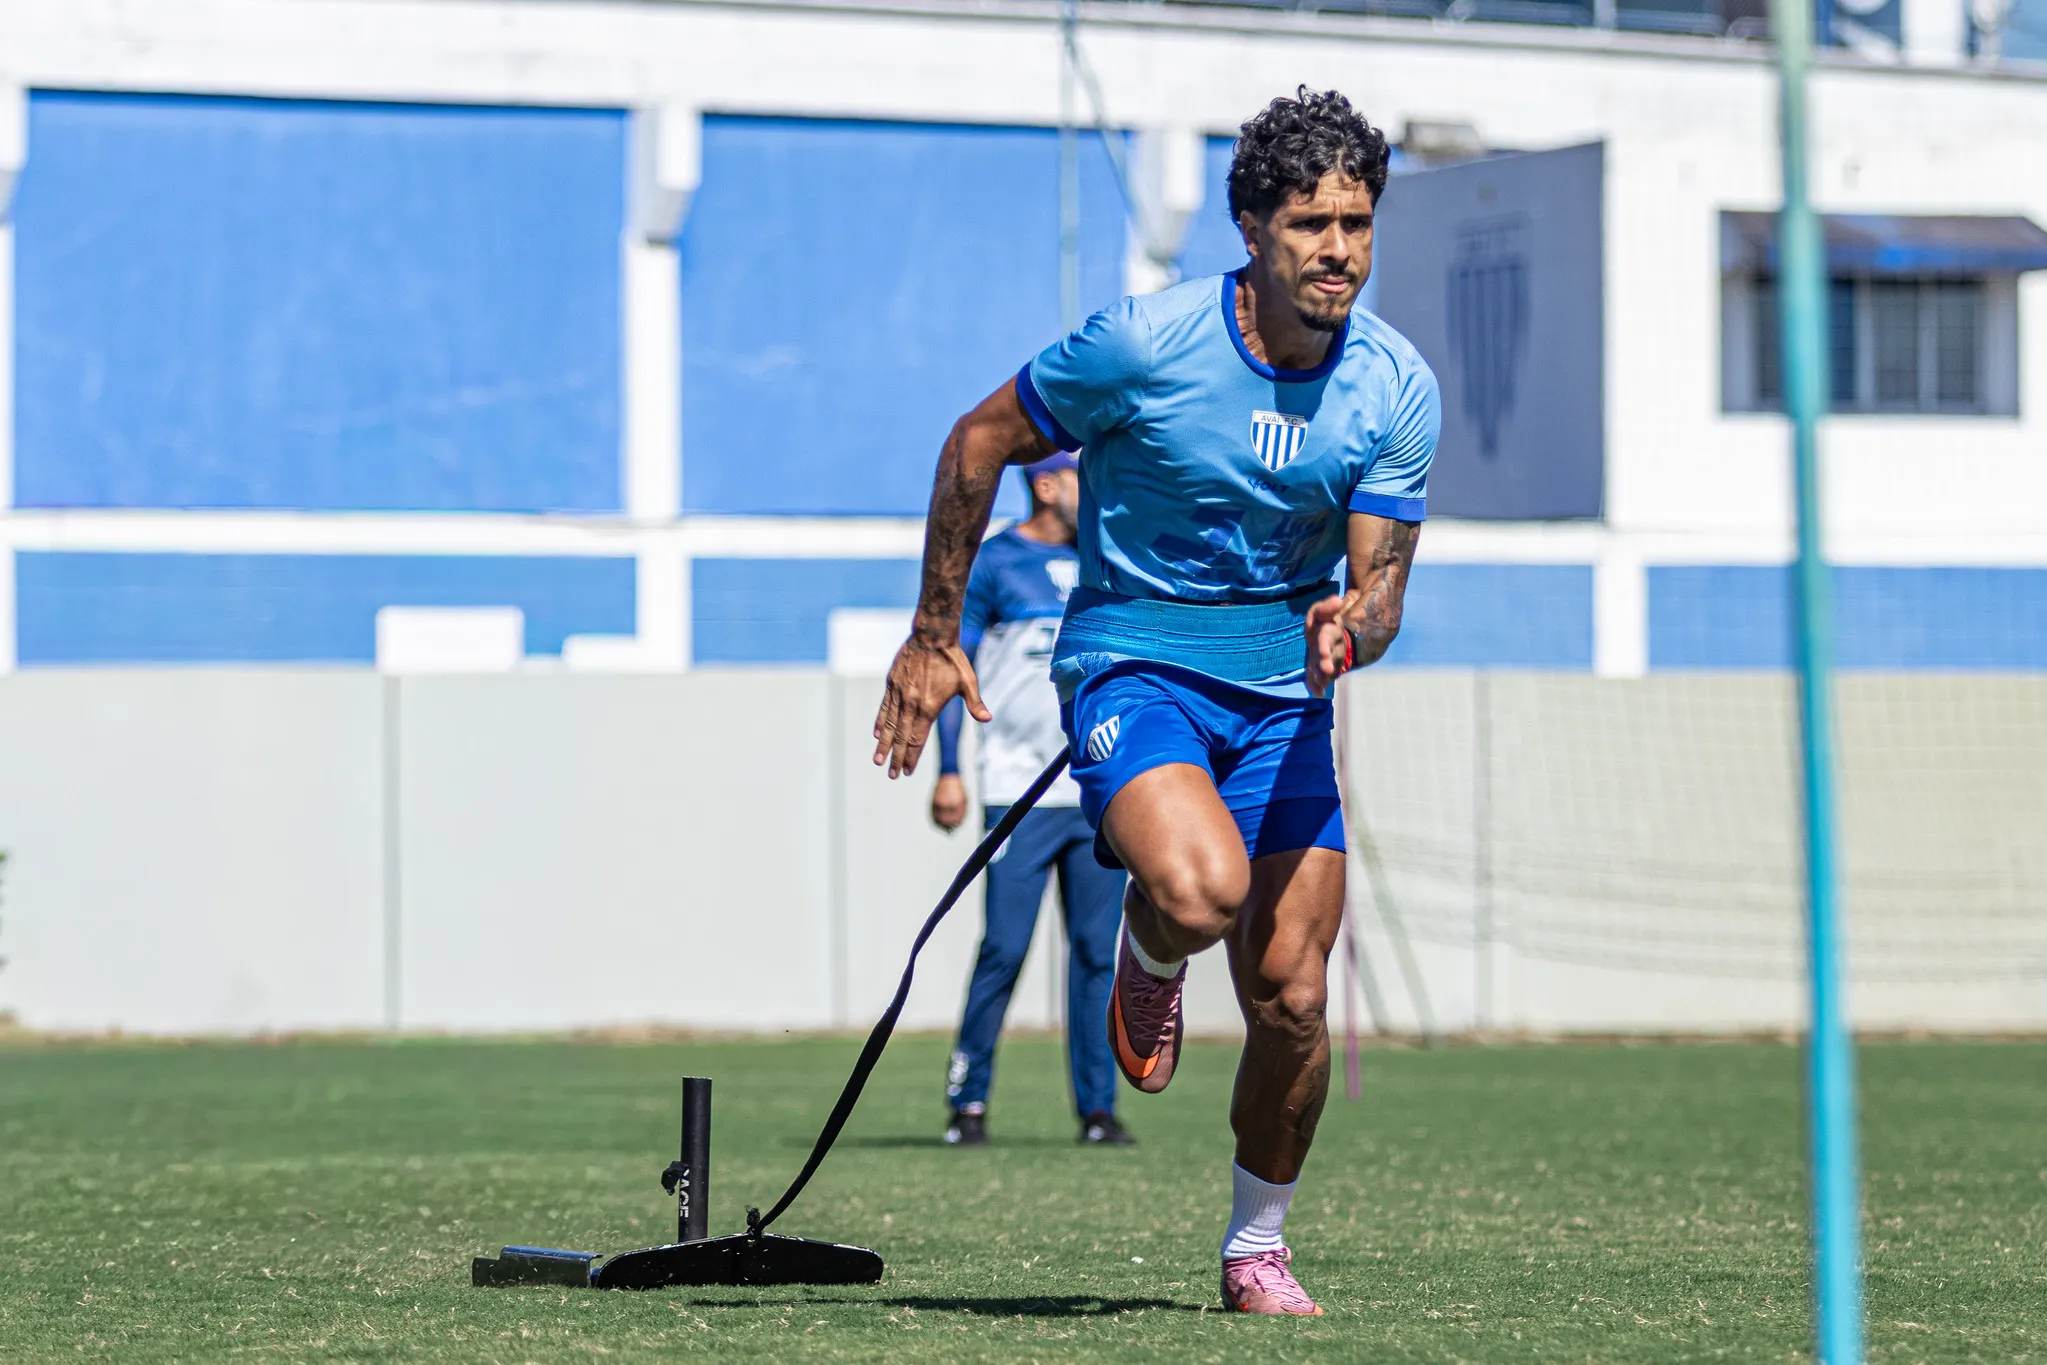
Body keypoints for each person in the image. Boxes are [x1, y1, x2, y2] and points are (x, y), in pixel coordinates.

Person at [871, 88, 1437, 1315]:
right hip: (1135, 663)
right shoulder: (1142, 343)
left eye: (1356, 221)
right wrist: (929, 635)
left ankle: (1254, 1246)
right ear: (1251, 228)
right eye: (1309, 223)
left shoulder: (1396, 388)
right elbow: (977, 439)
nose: (1337, 249)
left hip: (1283, 706)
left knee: (1291, 999)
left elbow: (1379, 587)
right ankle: (1149, 945)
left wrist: (1363, 621)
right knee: (1201, 891)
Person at [930, 451, 1133, 1149]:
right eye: (1082, 475)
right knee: (1005, 948)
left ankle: (1098, 1110)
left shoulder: (1108, 559)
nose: (1094, 485)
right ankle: (969, 1100)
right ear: (1046, 485)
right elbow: (951, 666)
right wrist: (948, 768)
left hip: (1099, 791)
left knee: (1094, 954)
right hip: (1015, 791)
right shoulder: (994, 564)